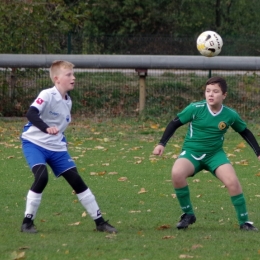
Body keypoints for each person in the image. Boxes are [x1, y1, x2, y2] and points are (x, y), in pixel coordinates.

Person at [20, 60, 117, 234]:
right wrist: (45, 128)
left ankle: (100, 222)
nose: (73, 77)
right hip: (34, 143)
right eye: (69, 74)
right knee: (41, 178)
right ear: (57, 79)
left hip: (56, 147)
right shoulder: (47, 94)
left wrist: (59, 139)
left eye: (73, 74)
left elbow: (59, 126)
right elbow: (31, 113)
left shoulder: (68, 101)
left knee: (77, 181)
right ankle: (27, 223)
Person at [153, 76, 260, 231]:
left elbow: (245, 132)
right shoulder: (195, 108)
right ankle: (188, 214)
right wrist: (161, 144)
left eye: (215, 91)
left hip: (215, 155)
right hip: (191, 153)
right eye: (208, 91)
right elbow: (174, 123)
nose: (210, 94)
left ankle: (245, 222)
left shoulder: (230, 115)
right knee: (177, 173)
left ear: (224, 95)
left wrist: (258, 152)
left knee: (233, 182)